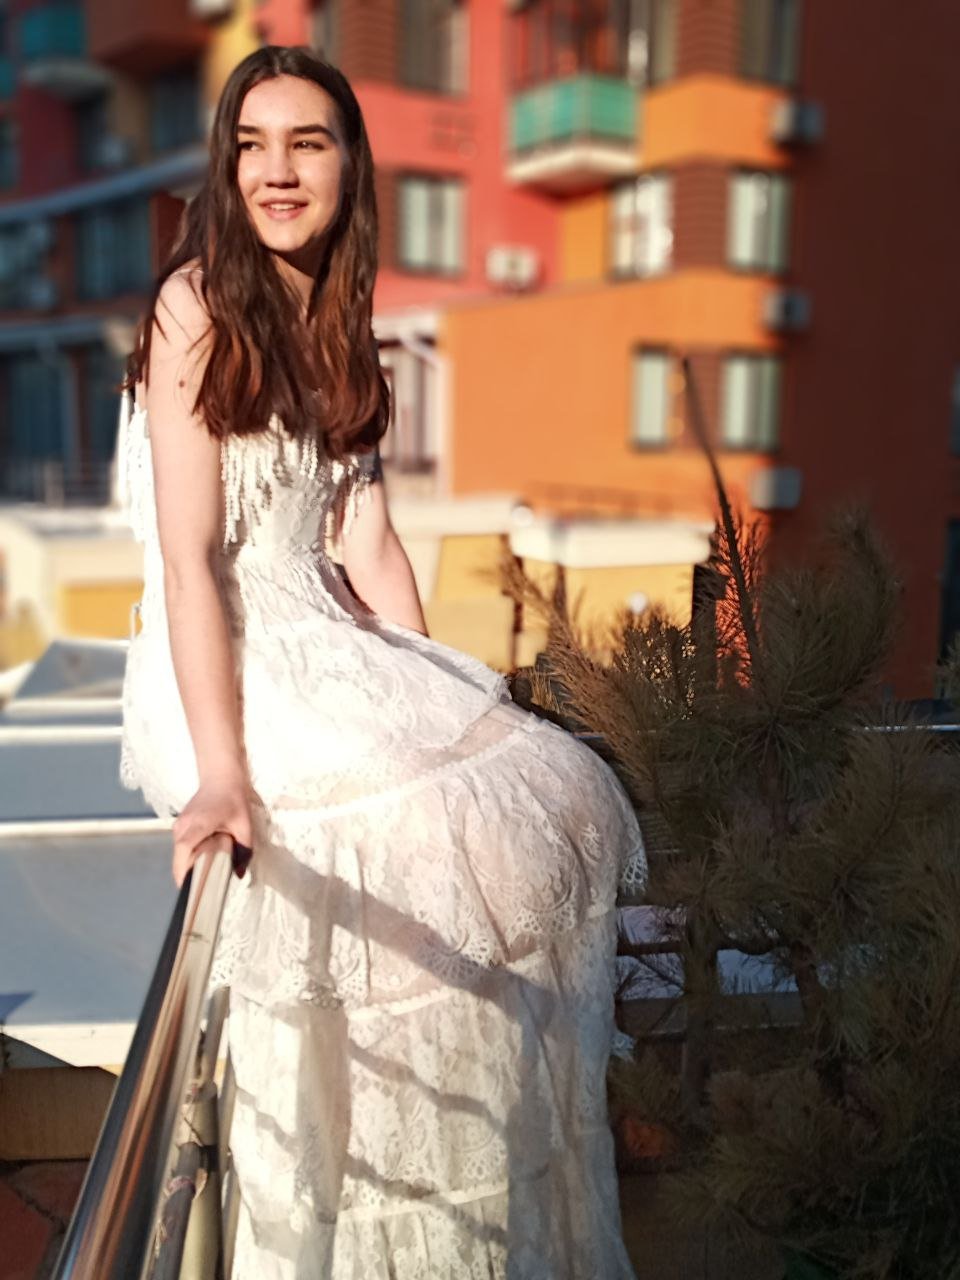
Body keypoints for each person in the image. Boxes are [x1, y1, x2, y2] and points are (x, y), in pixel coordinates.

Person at [116, 44, 644, 1280]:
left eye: (306, 143)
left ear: (351, 165)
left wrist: (449, 706)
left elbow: (371, 543)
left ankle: (455, 1169)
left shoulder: (338, 320)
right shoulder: (196, 306)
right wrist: (221, 774)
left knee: (545, 794)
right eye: (251, 146)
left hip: (327, 634)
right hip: (228, 651)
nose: (276, 171)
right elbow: (190, 563)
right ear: (225, 168)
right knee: (437, 831)